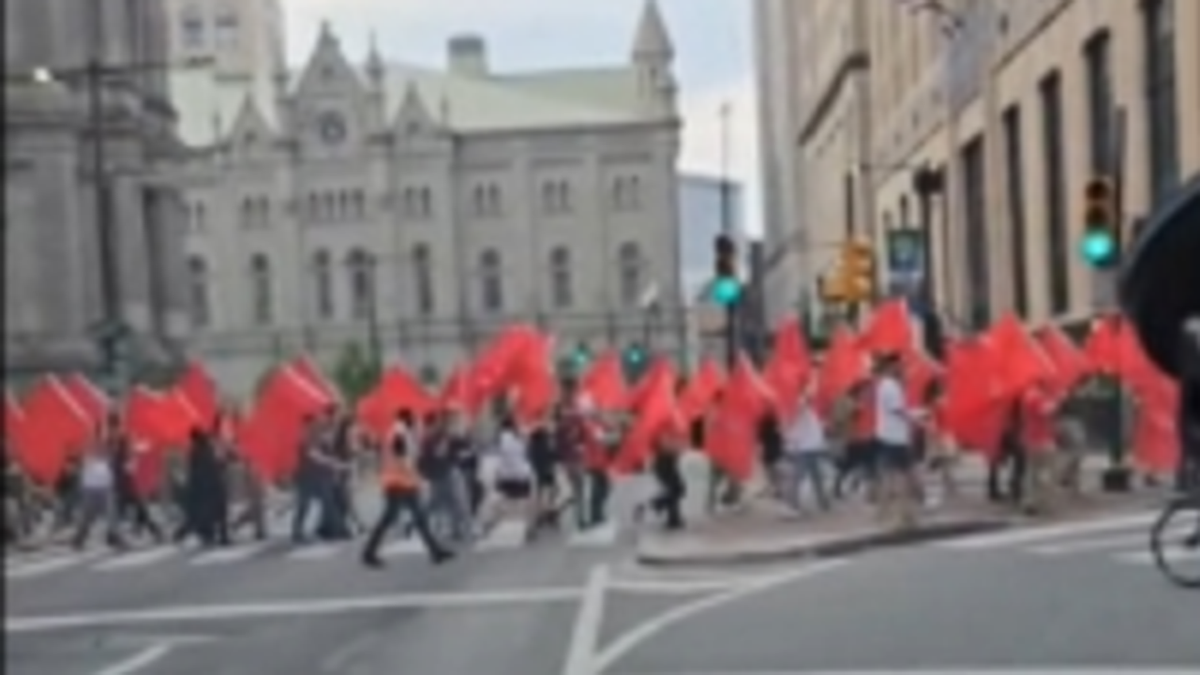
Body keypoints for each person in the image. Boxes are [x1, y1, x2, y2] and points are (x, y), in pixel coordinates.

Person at [361, 409, 453, 567]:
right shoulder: (399, 433)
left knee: (416, 517)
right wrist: (416, 474)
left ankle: (435, 551)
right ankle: (369, 553)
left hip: (402, 482)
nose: (415, 421)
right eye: (413, 418)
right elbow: (401, 457)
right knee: (393, 518)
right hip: (399, 482)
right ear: (406, 419)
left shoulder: (399, 432)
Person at [480, 415, 537, 542]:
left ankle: (489, 522)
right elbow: (521, 450)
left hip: (506, 474)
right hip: (520, 474)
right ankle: (530, 527)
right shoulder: (514, 438)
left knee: (499, 499)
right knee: (527, 501)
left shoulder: (502, 438)